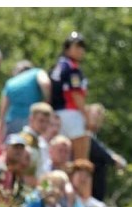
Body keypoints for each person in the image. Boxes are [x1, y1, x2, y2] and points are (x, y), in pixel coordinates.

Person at [49, 31, 90, 160]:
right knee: (80, 159)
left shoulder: (58, 65)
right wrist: (87, 116)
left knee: (61, 158)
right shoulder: (72, 69)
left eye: (82, 47)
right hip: (71, 114)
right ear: (67, 49)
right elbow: (76, 95)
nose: (81, 50)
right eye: (77, 46)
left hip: (56, 116)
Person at [0, 60, 51, 140]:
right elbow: (46, 83)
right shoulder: (36, 72)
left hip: (12, 122)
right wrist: (47, 103)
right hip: (30, 121)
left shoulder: (10, 82)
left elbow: (2, 114)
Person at [85, 103, 126, 201]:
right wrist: (113, 159)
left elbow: (100, 147)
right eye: (95, 116)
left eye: (100, 117)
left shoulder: (93, 135)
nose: (97, 120)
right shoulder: (82, 132)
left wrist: (112, 157)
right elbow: (96, 149)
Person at [18, 102, 54, 184]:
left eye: (47, 122)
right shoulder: (24, 141)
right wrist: (45, 188)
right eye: (41, 121)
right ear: (31, 119)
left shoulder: (42, 142)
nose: (44, 125)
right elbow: (26, 175)